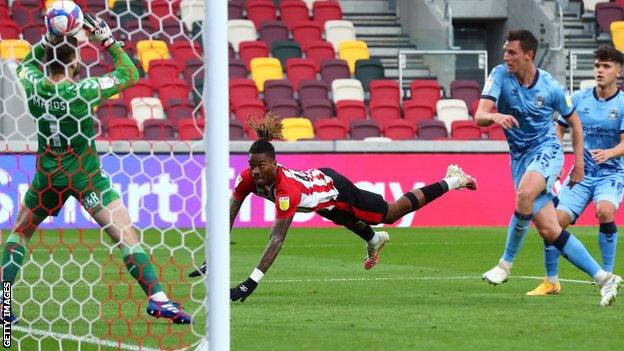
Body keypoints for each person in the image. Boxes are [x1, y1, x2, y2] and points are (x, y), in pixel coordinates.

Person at [0, 15, 191, 324]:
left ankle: (2, 300)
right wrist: (107, 39)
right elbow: (129, 73)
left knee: (20, 232)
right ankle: (158, 299)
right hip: (86, 177)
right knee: (126, 235)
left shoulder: (32, 82)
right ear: (74, 63)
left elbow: (26, 63)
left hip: (48, 174)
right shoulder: (83, 91)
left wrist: (50, 38)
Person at [187, 113, 477, 302]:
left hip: (334, 189)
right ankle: (374, 240)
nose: (257, 171)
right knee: (341, 218)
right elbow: (230, 214)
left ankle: (453, 179)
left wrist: (251, 282)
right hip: (320, 197)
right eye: (253, 165)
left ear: (274, 163)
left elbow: (277, 239)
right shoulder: (249, 178)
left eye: (262, 165)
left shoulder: (286, 191)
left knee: (390, 212)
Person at [476, 29, 621, 306]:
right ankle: (605, 278)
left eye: (512, 53)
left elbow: (574, 123)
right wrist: (494, 116)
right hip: (519, 157)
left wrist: (577, 164)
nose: (506, 57)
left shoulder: (551, 88)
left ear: (529, 55)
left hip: (546, 150)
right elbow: (480, 115)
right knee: (550, 230)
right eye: (505, 51)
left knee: (524, 195)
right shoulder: (499, 75)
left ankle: (505, 264)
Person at [527, 45, 624, 296]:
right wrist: (556, 157)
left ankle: (607, 275)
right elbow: (559, 128)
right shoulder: (579, 98)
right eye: (597, 66)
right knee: (554, 222)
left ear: (618, 71)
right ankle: (551, 281)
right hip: (580, 175)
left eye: (606, 66)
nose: (600, 71)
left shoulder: (623, 103)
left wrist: (610, 153)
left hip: (611, 174)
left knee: (604, 211)